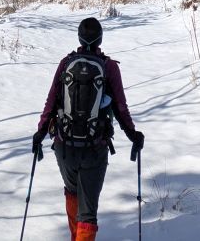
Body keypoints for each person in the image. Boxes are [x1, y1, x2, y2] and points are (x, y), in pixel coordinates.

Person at [33, 17, 144, 241]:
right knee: (88, 214)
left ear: (79, 38)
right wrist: (133, 134)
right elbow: (120, 107)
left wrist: (40, 133)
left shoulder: (66, 63)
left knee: (73, 193)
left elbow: (51, 102)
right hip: (95, 147)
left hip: (65, 147)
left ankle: (75, 237)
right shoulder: (109, 67)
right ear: (101, 38)